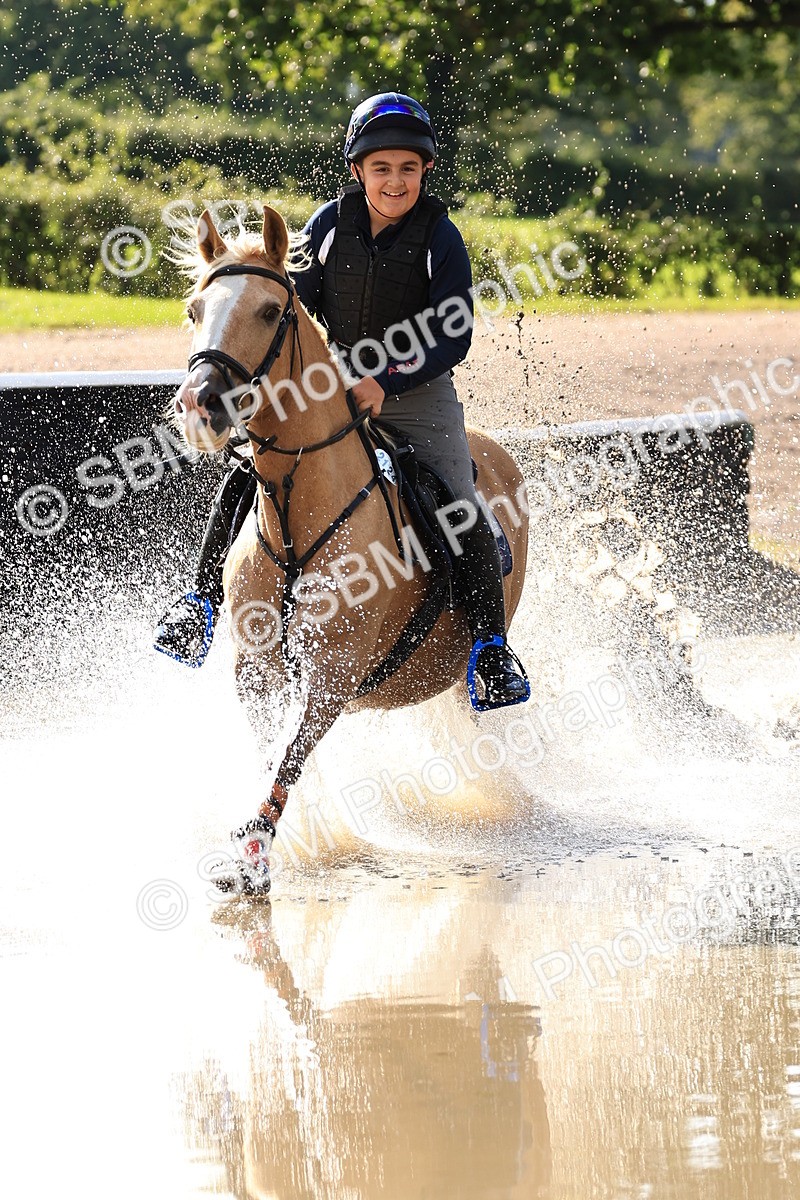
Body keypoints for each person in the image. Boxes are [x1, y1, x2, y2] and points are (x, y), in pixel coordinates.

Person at [154, 92, 529, 709]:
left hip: (417, 394)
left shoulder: (440, 235)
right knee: (251, 467)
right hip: (334, 385)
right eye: (381, 168)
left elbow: (453, 332)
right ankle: (196, 603)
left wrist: (386, 380)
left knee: (461, 502)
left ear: (426, 171)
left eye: (408, 168)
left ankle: (489, 648)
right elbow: (287, 303)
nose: (394, 181)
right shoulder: (327, 226)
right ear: (357, 170)